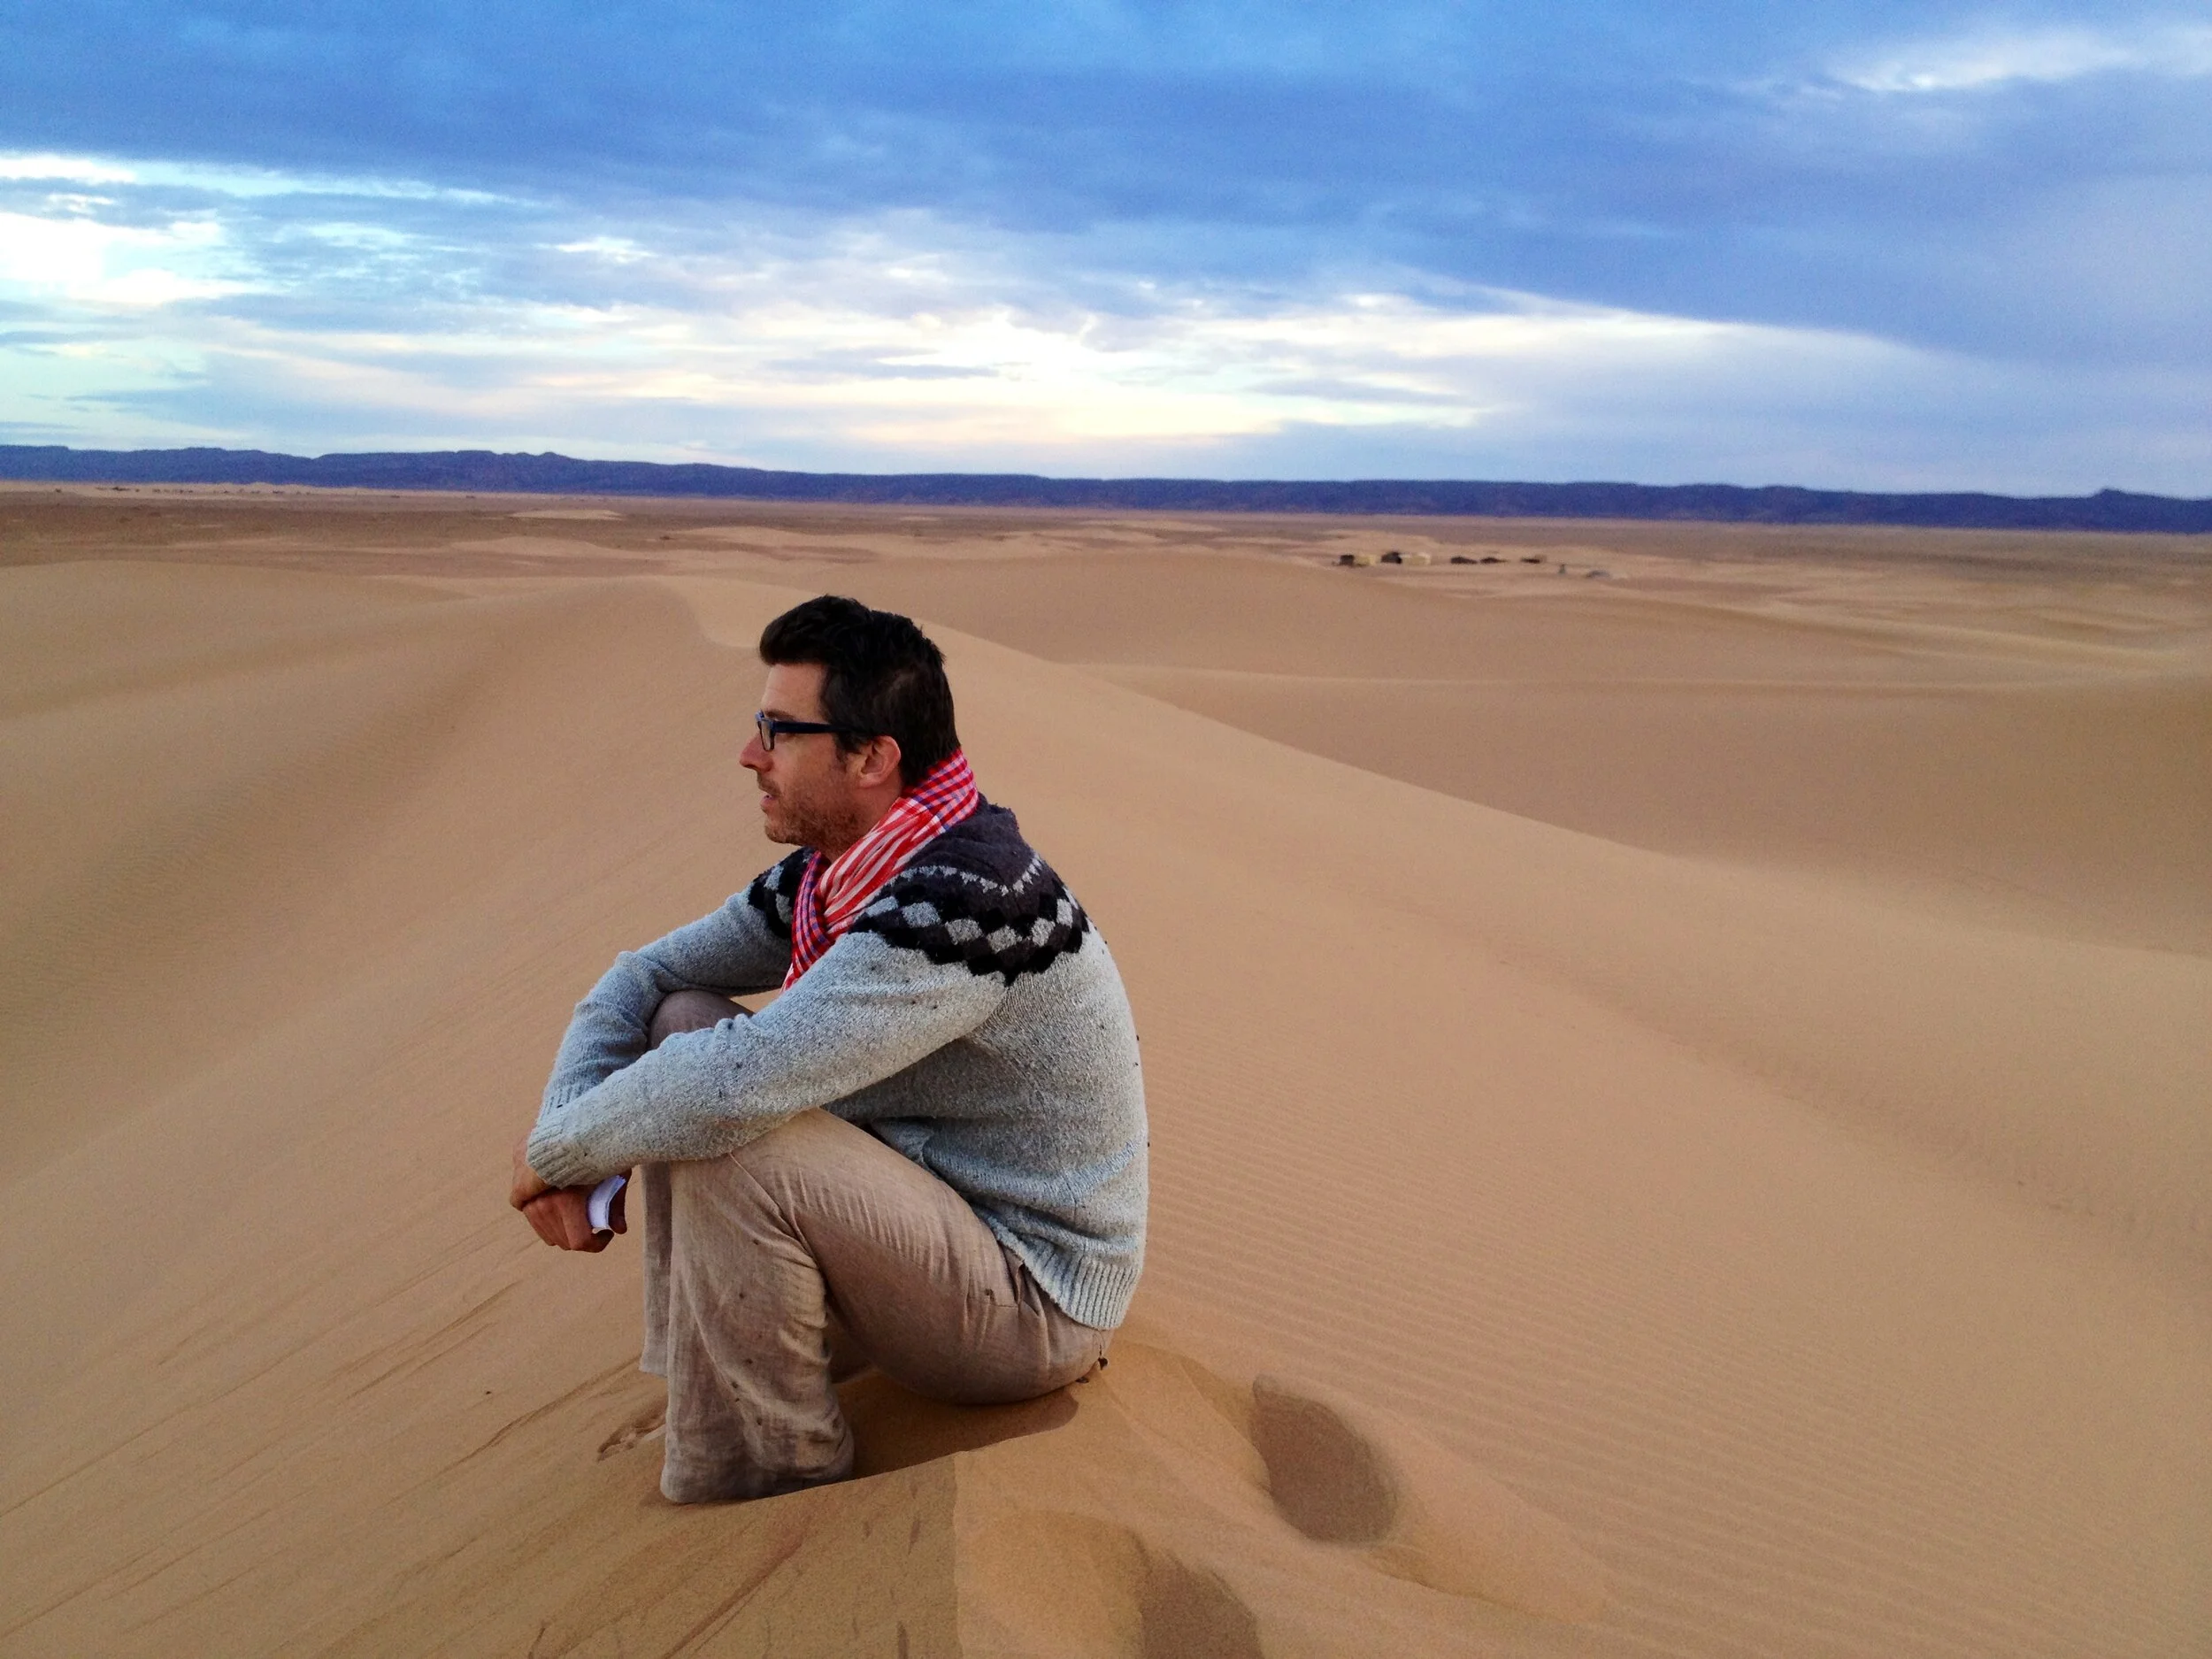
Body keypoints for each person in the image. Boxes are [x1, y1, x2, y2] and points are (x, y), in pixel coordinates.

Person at [509, 595, 1147, 1502]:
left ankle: (768, 1470)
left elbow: (727, 1092)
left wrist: (552, 1160)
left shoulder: (963, 904)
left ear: (873, 758)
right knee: (688, 1019)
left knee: (729, 1125)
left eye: (780, 731)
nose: (748, 755)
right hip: (922, 1231)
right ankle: (711, 1384)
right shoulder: (839, 874)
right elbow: (641, 977)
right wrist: (566, 1131)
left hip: (1030, 1301)